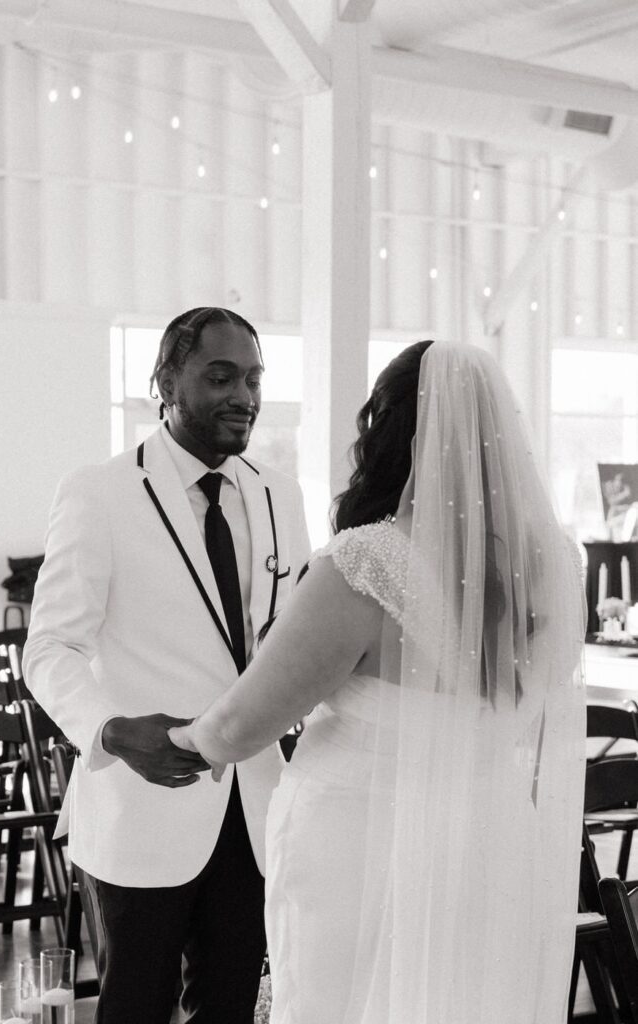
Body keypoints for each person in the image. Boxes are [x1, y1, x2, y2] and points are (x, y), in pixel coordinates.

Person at [170, 340, 587, 1024]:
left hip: (362, 851)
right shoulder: (557, 566)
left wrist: (177, 739)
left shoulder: (368, 563)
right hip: (493, 837)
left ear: (390, 432)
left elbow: (241, 726)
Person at [23, 307, 311, 1024]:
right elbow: (51, 648)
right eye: (220, 377)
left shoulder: (280, 494)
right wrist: (113, 732)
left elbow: (284, 636)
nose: (243, 396)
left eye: (253, 379)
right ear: (166, 381)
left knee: (230, 1007)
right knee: (135, 1009)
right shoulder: (100, 492)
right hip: (141, 807)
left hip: (254, 805)